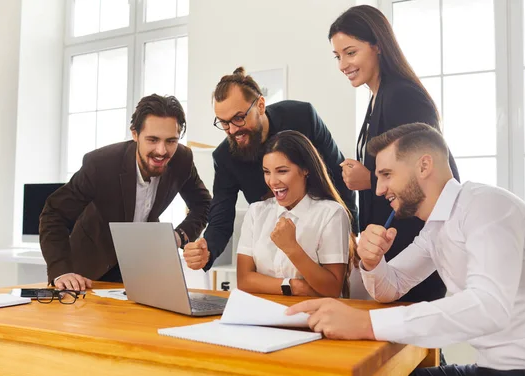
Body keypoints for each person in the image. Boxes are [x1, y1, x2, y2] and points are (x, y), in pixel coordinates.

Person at [287, 123, 525, 376]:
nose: (379, 189)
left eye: (386, 174)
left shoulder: (487, 206)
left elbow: (488, 307)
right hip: (491, 374)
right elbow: (390, 288)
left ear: (424, 165)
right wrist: (373, 262)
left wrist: (366, 323)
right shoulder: (435, 229)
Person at [329, 5, 461, 302]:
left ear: (377, 45)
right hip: (390, 247)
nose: (342, 64)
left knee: (414, 339)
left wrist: (369, 179)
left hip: (412, 245)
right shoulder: (377, 97)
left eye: (350, 52)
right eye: (338, 56)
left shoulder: (401, 95)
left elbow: (429, 171)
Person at [183, 67, 358, 271]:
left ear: (260, 105)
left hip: (323, 231)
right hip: (274, 244)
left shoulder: (302, 117)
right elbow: (221, 215)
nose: (232, 130)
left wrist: (351, 230)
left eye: (239, 118)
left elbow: (339, 173)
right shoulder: (224, 157)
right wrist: (207, 250)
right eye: (224, 122)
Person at [40, 94, 211, 290]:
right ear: (135, 134)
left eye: (171, 141)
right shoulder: (101, 164)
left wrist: (179, 236)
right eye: (152, 140)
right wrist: (61, 271)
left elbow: (203, 204)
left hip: (142, 271)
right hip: (89, 272)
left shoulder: (182, 159)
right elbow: (54, 213)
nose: (162, 151)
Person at [237, 130, 354, 298]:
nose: (272, 181)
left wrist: (291, 248)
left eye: (282, 171)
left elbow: (332, 288)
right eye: (267, 172)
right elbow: (244, 280)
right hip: (263, 312)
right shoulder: (256, 212)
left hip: (314, 315)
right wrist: (293, 286)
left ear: (305, 169)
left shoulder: (331, 214)